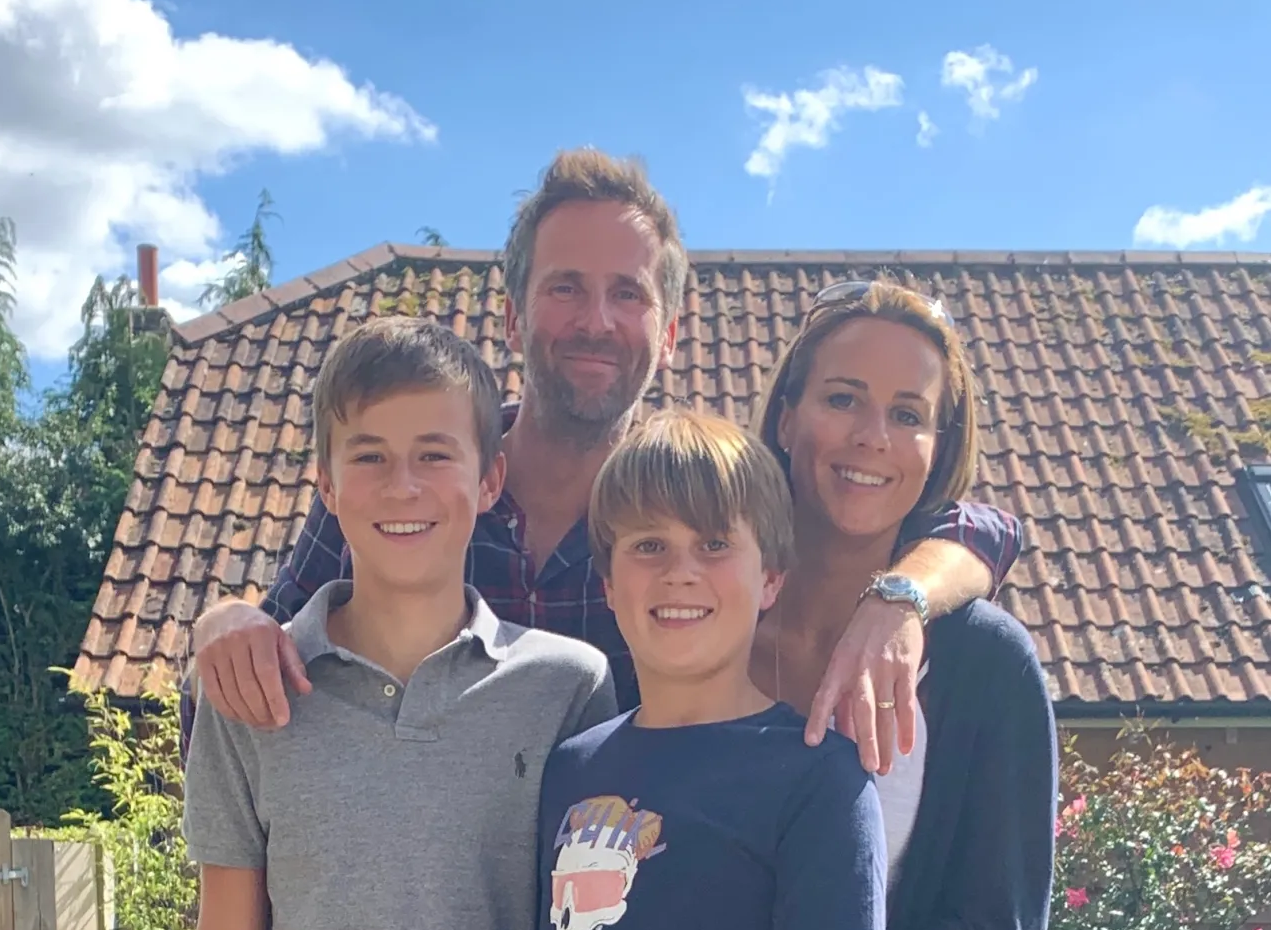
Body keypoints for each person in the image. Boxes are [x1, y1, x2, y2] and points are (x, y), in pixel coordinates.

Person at [185, 148, 1023, 776]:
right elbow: (280, 648)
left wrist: (900, 600)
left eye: (628, 293)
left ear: (670, 330)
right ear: (513, 318)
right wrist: (224, 621)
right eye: (565, 288)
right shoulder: (416, 484)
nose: (597, 320)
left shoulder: (699, 504)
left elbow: (974, 520)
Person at [167, 320, 616, 930]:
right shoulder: (247, 693)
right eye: (368, 456)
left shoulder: (570, 687)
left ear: (489, 481)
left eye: (434, 454)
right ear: (325, 484)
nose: (402, 486)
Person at [463, 411, 887, 930]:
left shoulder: (818, 781)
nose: (679, 572)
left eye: (714, 545)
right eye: (648, 546)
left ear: (771, 578)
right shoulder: (575, 768)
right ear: (611, 581)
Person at [750, 279, 1058, 930]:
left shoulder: (987, 668)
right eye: (843, 397)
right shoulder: (701, 625)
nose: (871, 435)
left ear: (938, 450)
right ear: (789, 412)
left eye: (907, 413)